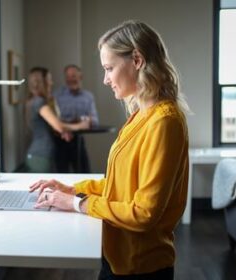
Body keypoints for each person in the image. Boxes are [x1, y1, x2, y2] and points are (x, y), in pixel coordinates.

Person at [30, 20, 189, 279]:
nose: (105, 79)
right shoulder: (140, 115)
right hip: (116, 257)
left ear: (137, 60)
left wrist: (76, 203)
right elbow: (122, 186)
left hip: (141, 267)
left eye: (109, 68)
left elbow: (144, 213)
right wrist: (72, 189)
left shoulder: (164, 122)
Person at [25, 67, 90, 173]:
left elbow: (52, 126)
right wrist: (81, 125)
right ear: (42, 82)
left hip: (40, 155)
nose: (52, 83)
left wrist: (63, 132)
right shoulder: (39, 102)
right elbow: (58, 125)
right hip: (41, 156)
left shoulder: (36, 101)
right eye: (49, 80)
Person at [53, 64, 99, 173]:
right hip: (60, 141)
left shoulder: (88, 96)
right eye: (68, 76)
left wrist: (76, 121)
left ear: (81, 77)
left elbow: (95, 121)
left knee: (85, 173)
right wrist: (81, 121)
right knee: (61, 176)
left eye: (73, 76)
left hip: (78, 142)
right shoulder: (56, 95)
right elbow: (54, 121)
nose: (70, 79)